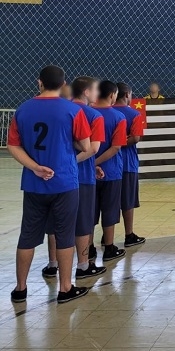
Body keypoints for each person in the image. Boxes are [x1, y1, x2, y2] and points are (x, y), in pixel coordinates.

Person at [8, 65, 92, 304]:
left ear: (39, 83)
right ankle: (65, 288)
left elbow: (13, 145)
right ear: (63, 85)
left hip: (34, 183)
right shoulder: (73, 111)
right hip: (64, 182)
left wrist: (35, 167)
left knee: (28, 235)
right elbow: (86, 145)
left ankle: (20, 288)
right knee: (65, 234)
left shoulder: (23, 110)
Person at [43, 77, 109, 282]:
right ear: (87, 92)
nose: (98, 94)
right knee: (83, 222)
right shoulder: (94, 115)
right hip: (81, 177)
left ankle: (52, 264)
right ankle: (83, 266)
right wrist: (71, 162)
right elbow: (93, 149)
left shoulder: (59, 111)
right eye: (96, 90)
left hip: (54, 176)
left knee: (55, 221)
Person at [92, 81, 128, 262]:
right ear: (113, 94)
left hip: (87, 173)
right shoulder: (118, 117)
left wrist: (90, 163)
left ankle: (88, 248)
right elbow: (115, 148)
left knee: (90, 211)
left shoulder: (87, 113)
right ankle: (109, 247)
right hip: (111, 171)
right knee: (110, 210)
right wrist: (96, 162)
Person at [114, 83, 146, 248]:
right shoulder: (134, 114)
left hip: (109, 163)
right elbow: (135, 138)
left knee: (109, 202)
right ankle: (129, 234)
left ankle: (107, 238)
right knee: (128, 201)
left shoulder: (105, 112)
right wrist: (119, 143)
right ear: (127, 95)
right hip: (127, 163)